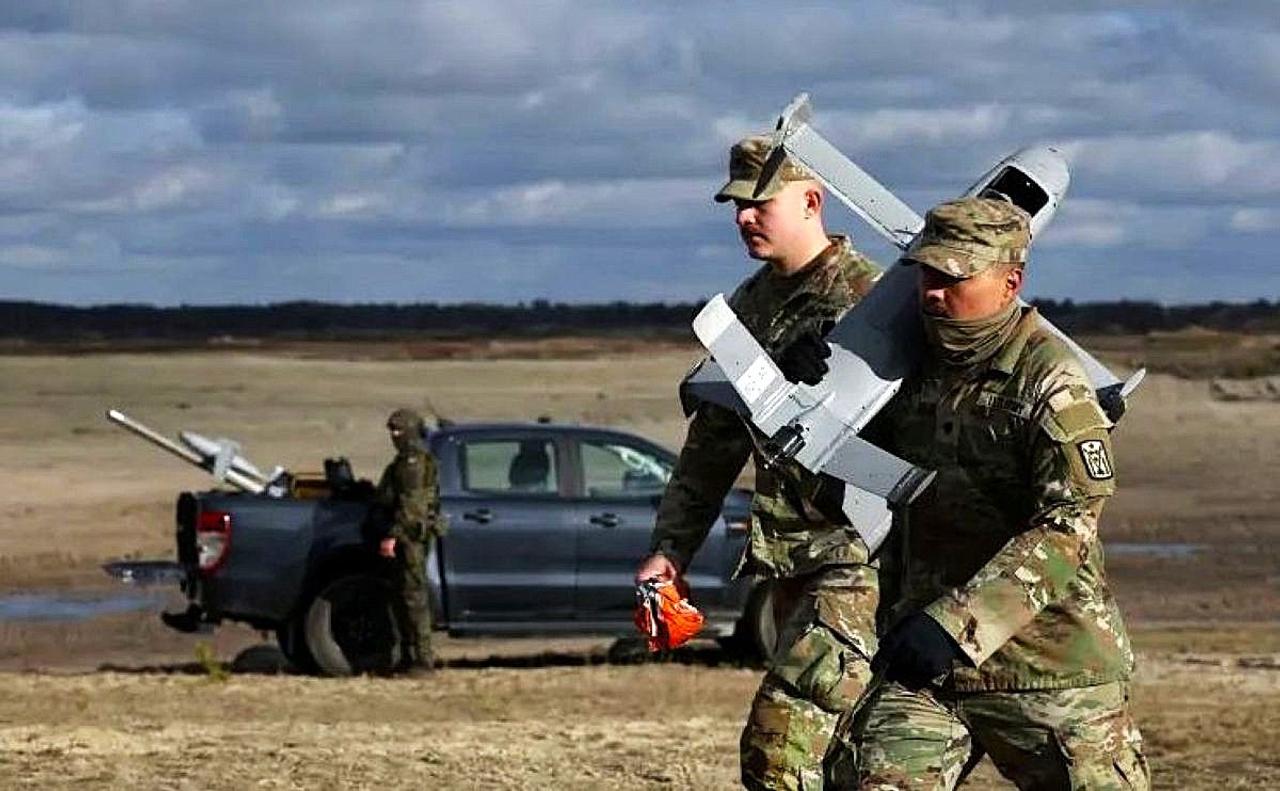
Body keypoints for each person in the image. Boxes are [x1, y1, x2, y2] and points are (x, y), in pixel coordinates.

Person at [828, 197, 1149, 789]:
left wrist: (957, 623)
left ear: (1010, 283)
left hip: (1048, 671)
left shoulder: (1051, 381)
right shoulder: (902, 370)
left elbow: (1067, 526)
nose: (933, 292)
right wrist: (821, 381)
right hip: (926, 669)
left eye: (955, 276)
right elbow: (838, 475)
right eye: (928, 273)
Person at [635, 134, 882, 790]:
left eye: (757, 203)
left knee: (779, 748)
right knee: (852, 762)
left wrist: (837, 384)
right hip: (796, 563)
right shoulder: (747, 309)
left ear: (811, 199)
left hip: (866, 560)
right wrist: (671, 551)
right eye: (735, 206)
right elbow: (712, 446)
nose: (743, 217)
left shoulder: (878, 301)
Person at [374, 407, 443, 675]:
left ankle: (422, 659)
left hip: (411, 537)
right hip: (409, 535)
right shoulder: (404, 462)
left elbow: (411, 507)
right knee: (403, 597)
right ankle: (408, 655)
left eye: (399, 430)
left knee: (415, 598)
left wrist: (392, 536)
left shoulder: (413, 464)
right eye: (392, 430)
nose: (394, 435)